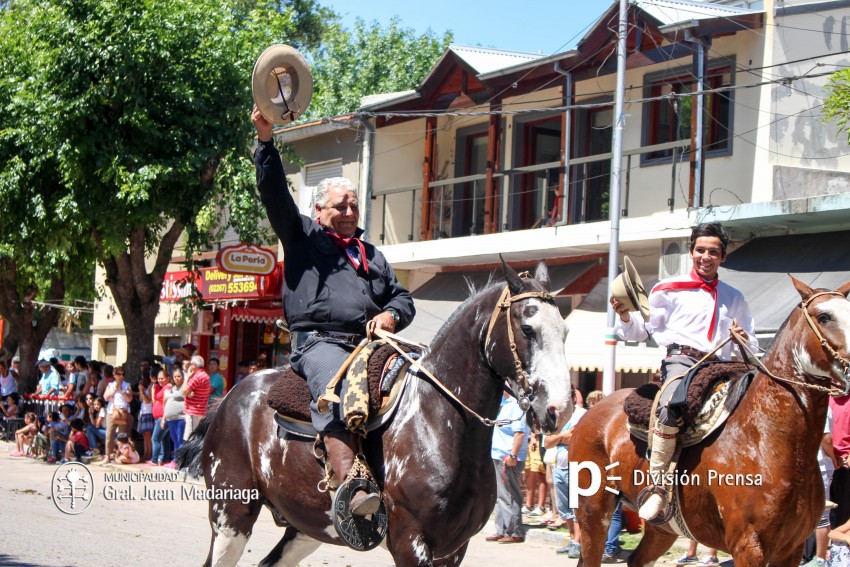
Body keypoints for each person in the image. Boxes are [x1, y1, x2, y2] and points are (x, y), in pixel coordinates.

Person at [252, 105, 415, 517]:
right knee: (336, 389)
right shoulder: (301, 236)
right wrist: (266, 141)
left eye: (353, 206)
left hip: (370, 344)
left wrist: (391, 316)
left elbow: (403, 298)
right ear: (319, 210)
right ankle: (351, 484)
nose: (348, 213)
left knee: (417, 381)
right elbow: (274, 192)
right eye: (340, 206)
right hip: (319, 345)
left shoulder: (372, 254)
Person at [611, 222, 758, 521]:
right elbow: (642, 332)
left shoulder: (735, 297)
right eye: (701, 250)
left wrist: (743, 337)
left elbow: (753, 342)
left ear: (723, 257)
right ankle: (658, 486)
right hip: (682, 361)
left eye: (713, 252)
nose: (706, 256)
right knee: (668, 406)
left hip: (725, 366)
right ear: (691, 252)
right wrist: (625, 315)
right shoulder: (667, 289)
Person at [547, 387, 587, 558]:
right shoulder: (556, 417)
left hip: (576, 467)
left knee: (577, 507)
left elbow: (575, 438)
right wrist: (563, 436)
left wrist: (559, 438)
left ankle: (578, 543)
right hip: (559, 466)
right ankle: (572, 540)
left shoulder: (582, 415)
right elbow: (547, 442)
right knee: (565, 510)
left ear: (572, 398)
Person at [486, 392, 530, 544]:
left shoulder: (517, 405)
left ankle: (514, 531)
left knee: (509, 494)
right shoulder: (505, 404)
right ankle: (502, 529)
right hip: (498, 454)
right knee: (500, 495)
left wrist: (513, 455)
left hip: (508, 457)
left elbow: (519, 433)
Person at [102, 366, 133, 463]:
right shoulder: (110, 385)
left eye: (123, 374)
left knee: (122, 436)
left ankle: (120, 455)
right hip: (112, 412)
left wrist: (121, 390)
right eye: (119, 374)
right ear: (114, 375)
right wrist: (114, 390)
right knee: (109, 435)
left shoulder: (127, 385)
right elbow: (106, 398)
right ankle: (108, 455)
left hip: (123, 412)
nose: (121, 376)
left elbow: (129, 399)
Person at [181, 354, 211, 440]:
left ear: (193, 366)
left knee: (191, 439)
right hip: (200, 411)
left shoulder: (197, 377)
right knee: (197, 438)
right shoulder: (205, 375)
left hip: (193, 412)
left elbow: (183, 392)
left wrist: (187, 378)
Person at [162, 366, 186, 468]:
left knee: (181, 441)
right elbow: (166, 402)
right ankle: (176, 460)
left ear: (183, 377)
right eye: (175, 376)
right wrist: (163, 419)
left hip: (180, 418)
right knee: (175, 440)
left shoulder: (185, 388)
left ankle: (178, 461)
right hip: (170, 419)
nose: (177, 378)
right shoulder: (171, 389)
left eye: (179, 376)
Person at [150, 369, 172, 466]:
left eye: (162, 378)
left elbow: (166, 401)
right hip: (160, 418)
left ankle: (154, 460)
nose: (160, 380)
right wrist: (154, 389)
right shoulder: (161, 388)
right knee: (165, 440)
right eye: (159, 379)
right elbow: (154, 400)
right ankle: (165, 459)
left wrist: (163, 418)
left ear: (167, 378)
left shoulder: (167, 387)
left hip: (162, 418)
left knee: (155, 439)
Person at [136, 373, 154, 462]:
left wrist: (143, 391)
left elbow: (148, 400)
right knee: (144, 435)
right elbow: (140, 399)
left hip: (148, 412)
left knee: (148, 435)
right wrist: (141, 391)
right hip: (143, 412)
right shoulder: (145, 389)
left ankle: (149, 453)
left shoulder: (151, 387)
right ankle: (146, 453)